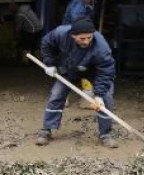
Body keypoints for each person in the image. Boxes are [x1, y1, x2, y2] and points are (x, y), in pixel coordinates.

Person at [36, 18, 117, 148]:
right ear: (73, 35)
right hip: (70, 68)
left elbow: (106, 71)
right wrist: (49, 63)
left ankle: (105, 135)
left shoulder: (102, 48)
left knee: (106, 99)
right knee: (56, 95)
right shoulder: (60, 33)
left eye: (89, 38)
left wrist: (99, 95)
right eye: (82, 38)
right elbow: (46, 43)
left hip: (95, 71)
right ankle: (46, 130)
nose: (87, 41)